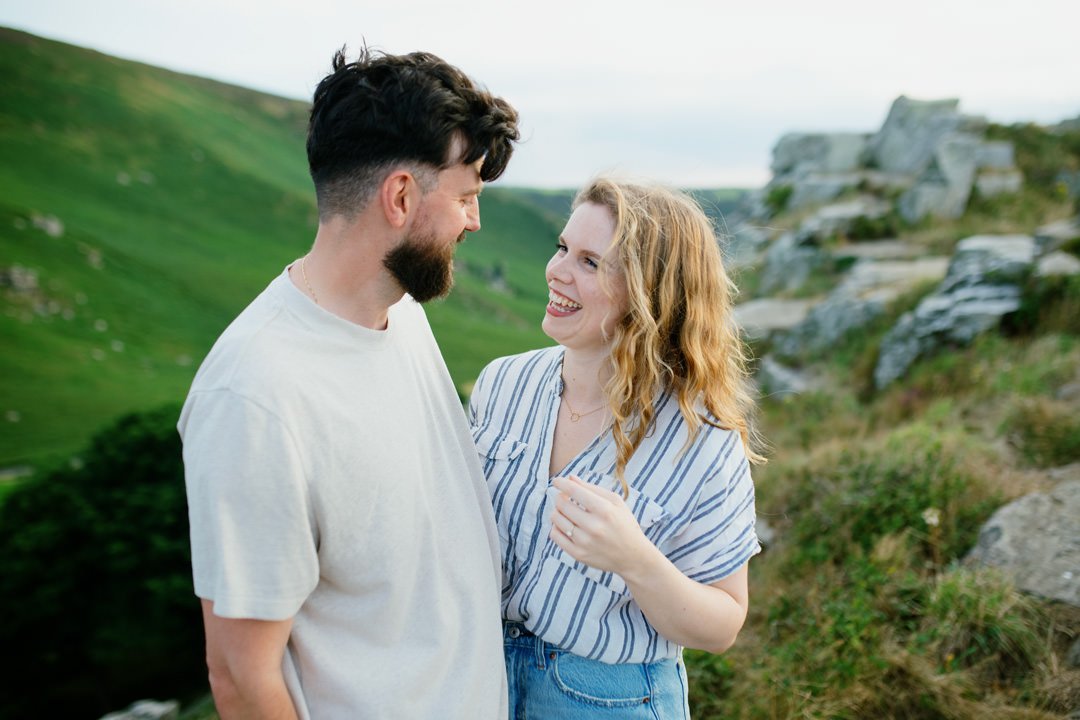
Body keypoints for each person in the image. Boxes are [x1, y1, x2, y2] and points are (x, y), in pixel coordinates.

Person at [178, 46, 519, 720]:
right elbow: (241, 678)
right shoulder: (256, 396)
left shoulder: (403, 312)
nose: (474, 222)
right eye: (467, 196)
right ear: (400, 196)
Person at [468, 177, 764, 718]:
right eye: (562, 248)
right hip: (476, 678)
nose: (556, 271)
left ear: (651, 295)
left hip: (607, 698)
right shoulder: (501, 384)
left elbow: (724, 624)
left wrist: (635, 560)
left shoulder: (702, 439)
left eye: (589, 262)